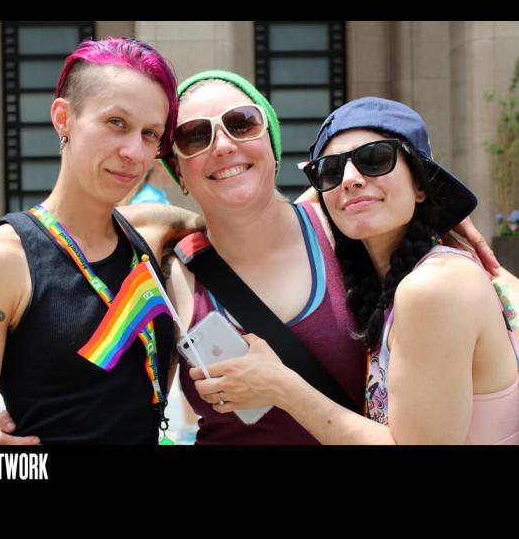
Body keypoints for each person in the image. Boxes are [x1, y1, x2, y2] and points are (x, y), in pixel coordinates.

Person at [0, 73, 499, 445]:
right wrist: (30, 432)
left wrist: (439, 219)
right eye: (195, 135)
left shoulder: (346, 226)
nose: (223, 146)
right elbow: (115, 406)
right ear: (178, 172)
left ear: (273, 147)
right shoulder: (167, 271)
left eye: (241, 124)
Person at [191, 97, 519, 444]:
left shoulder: (435, 285)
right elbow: (269, 224)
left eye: (375, 159)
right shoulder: (391, 284)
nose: (349, 180)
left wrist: (281, 385)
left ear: (421, 185)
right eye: (331, 171)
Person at [0, 37, 199, 445]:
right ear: (64, 118)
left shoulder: (151, 231)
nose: (134, 151)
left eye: (150, 134)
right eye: (116, 122)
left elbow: (252, 221)